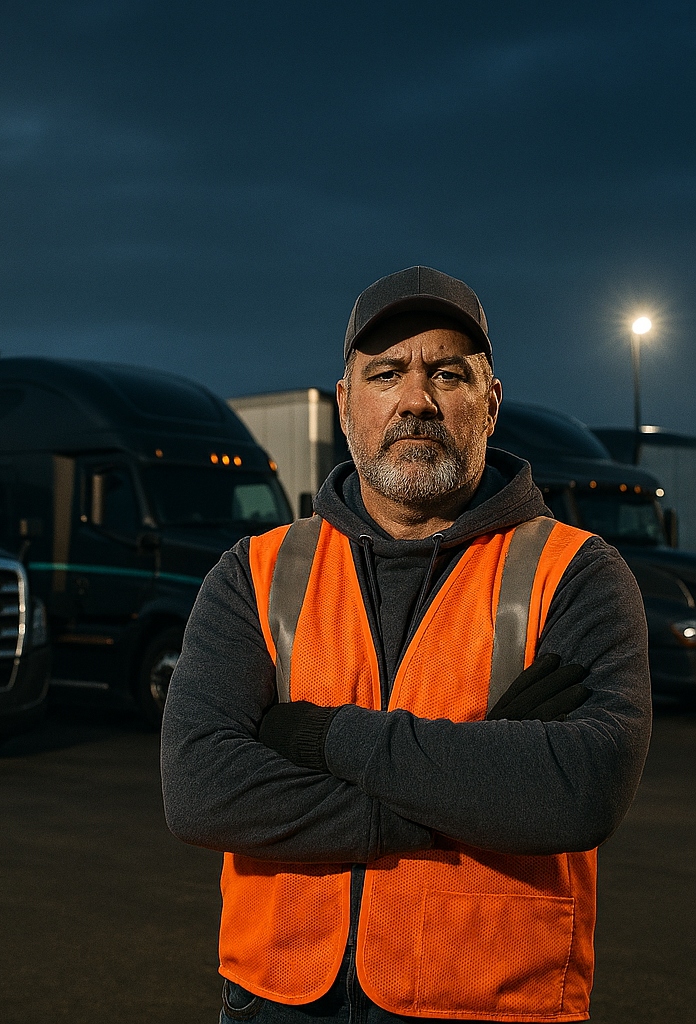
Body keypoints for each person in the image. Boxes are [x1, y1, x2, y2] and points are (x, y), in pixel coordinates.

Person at [160, 266, 652, 1024]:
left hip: (492, 1005)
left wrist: (324, 737)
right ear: (345, 404)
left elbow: (578, 791)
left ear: (490, 403)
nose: (416, 400)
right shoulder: (256, 573)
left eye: (447, 374)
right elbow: (200, 790)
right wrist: (478, 783)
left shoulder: (576, 573)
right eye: (386, 373)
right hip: (275, 1001)